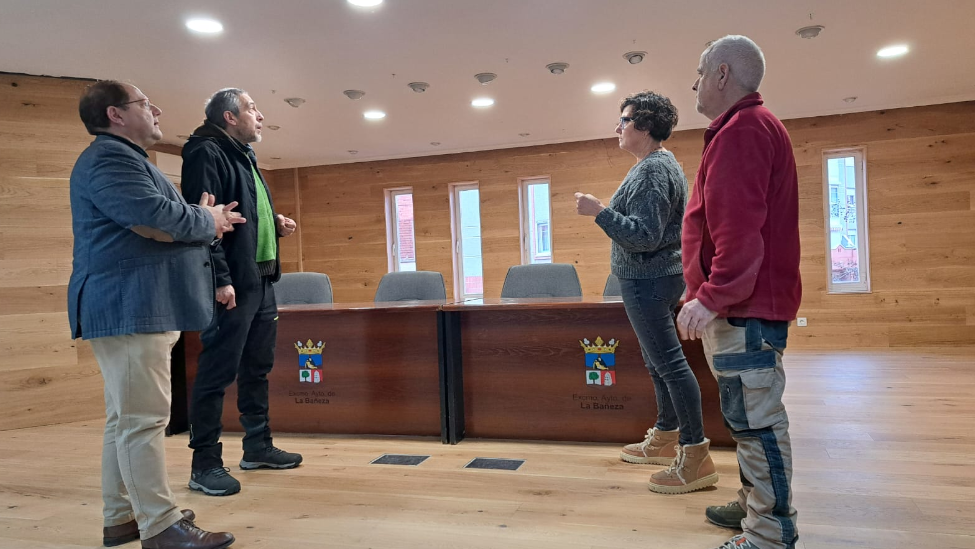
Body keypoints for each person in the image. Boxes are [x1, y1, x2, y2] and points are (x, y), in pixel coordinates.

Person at [68, 80, 241, 549]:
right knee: (142, 420)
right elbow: (156, 219)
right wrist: (208, 221)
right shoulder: (110, 158)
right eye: (145, 103)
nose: (157, 108)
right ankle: (161, 525)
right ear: (116, 114)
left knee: (125, 419)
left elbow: (166, 218)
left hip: (136, 304)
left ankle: (122, 516)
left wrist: (194, 217)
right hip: (130, 305)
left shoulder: (126, 159)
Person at [678, 35, 802, 549]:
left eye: (700, 72)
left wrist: (711, 295)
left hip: (743, 308)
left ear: (722, 74)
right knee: (747, 420)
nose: (694, 83)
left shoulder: (743, 130)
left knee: (757, 424)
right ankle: (756, 506)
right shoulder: (745, 127)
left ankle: (770, 535)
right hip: (745, 305)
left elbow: (738, 231)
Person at [575, 90, 718, 495]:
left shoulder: (653, 171)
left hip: (649, 279)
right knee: (660, 364)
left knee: (670, 365)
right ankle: (667, 437)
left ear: (646, 126)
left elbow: (645, 236)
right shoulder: (656, 164)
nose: (617, 128)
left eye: (624, 120)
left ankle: (694, 457)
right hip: (654, 279)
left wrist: (599, 212)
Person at [181, 88, 301, 497]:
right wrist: (219, 278)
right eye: (252, 108)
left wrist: (273, 222)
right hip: (232, 282)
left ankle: (258, 447)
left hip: (261, 279)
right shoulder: (206, 151)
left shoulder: (241, 153)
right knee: (217, 373)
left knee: (257, 368)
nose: (261, 115)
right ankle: (205, 464)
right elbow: (204, 219)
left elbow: (241, 211)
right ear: (230, 117)